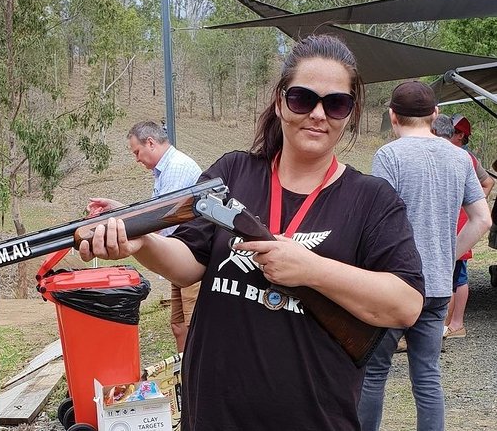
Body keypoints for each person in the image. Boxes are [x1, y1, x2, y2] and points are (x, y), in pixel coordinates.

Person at [80, 34, 425, 430]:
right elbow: (189, 264)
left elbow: (406, 304)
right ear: (280, 101)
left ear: (350, 113)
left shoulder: (372, 199)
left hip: (315, 417)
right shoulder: (233, 173)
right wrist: (141, 241)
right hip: (215, 413)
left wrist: (312, 270)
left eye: (336, 103)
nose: (317, 114)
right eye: (302, 98)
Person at [359, 82, 491, 431]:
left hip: (395, 283)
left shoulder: (390, 156)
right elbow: (483, 219)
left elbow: (377, 222)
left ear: (392, 115)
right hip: (437, 284)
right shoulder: (460, 157)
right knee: (427, 376)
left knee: (373, 373)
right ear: (435, 115)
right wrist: (448, 257)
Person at [88, 120, 202, 353]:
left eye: (137, 152)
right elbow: (153, 214)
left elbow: (161, 220)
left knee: (195, 326)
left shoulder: (177, 168)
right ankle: (183, 379)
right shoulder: (164, 171)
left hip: (192, 256)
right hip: (176, 256)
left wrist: (123, 229)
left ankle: (197, 380)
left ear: (150, 142)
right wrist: (118, 210)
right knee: (179, 325)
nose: (137, 159)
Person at [431, 114, 493, 339]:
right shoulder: (456, 155)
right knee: (454, 275)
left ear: (460, 135)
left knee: (455, 276)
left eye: (454, 131)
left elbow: (487, 183)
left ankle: (451, 325)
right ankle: (450, 325)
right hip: (454, 220)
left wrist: (471, 204)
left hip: (459, 223)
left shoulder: (465, 157)